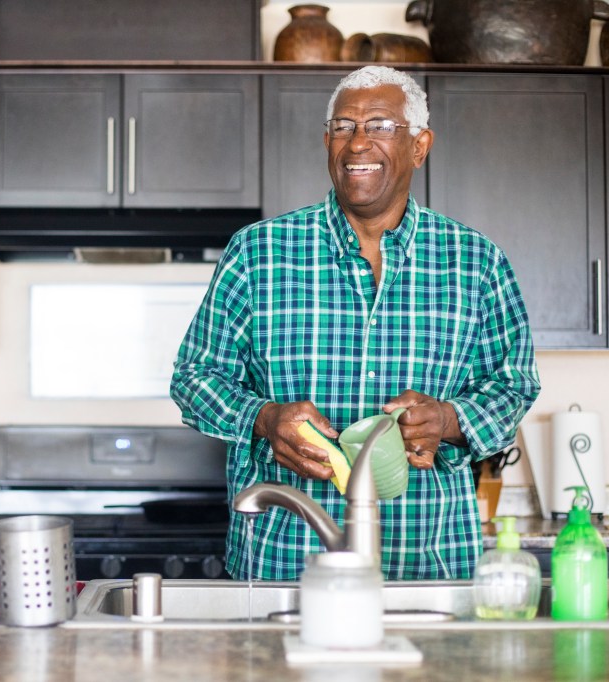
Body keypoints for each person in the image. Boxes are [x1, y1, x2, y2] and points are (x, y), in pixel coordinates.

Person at [170, 65, 540, 581]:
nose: (358, 143)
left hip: (428, 561)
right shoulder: (258, 253)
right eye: (343, 127)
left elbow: (513, 384)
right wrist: (264, 418)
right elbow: (193, 378)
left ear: (420, 144)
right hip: (285, 560)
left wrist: (449, 421)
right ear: (327, 141)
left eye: (382, 126)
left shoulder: (476, 261)